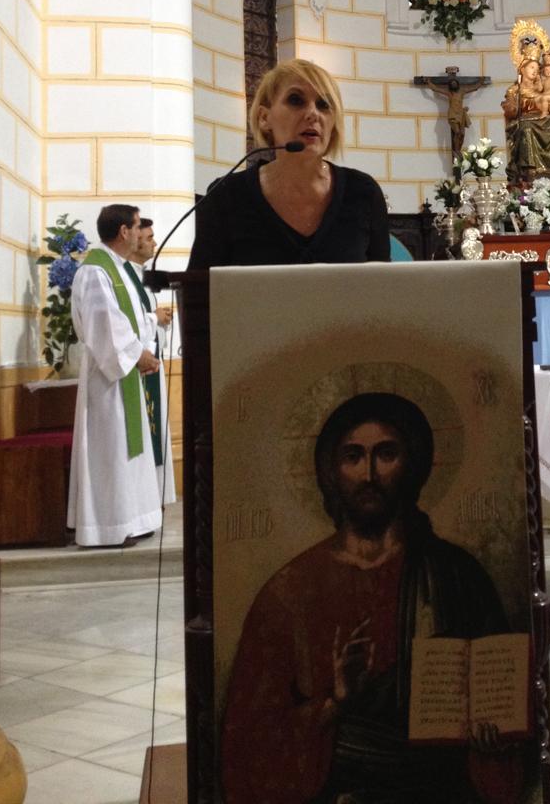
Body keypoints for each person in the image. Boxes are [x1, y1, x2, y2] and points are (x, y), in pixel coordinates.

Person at [221, 393, 527, 804]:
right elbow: (248, 746)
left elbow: (501, 700)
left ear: (413, 464)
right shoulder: (290, 591)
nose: (368, 474)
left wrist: (492, 741)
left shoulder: (457, 576)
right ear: (330, 471)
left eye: (386, 454)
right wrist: (334, 706)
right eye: (352, 456)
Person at [187, 59, 390, 268]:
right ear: (264, 118)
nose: (313, 113)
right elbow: (200, 292)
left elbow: (385, 290)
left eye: (324, 105)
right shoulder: (226, 195)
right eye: (296, 100)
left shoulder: (363, 192)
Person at [67, 205, 164, 548]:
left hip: (125, 373)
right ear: (124, 231)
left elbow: (132, 320)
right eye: (138, 227)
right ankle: (109, 525)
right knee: (111, 451)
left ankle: (133, 519)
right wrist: (138, 355)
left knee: (128, 450)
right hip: (107, 381)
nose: (141, 235)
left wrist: (142, 350)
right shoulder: (95, 271)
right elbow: (102, 325)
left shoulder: (120, 270)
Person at [125, 218, 176, 505]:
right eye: (150, 237)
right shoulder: (125, 277)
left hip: (150, 365)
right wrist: (154, 318)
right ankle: (144, 498)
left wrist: (159, 321)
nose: (154, 243)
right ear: (135, 241)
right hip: (136, 366)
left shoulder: (141, 277)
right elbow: (127, 324)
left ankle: (152, 497)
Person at [502, 57, 550, 182]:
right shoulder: (514, 90)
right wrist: (514, 105)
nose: (535, 71)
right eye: (531, 67)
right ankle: (529, 170)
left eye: (537, 68)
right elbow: (510, 111)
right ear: (522, 69)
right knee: (527, 129)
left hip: (545, 118)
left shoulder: (543, 88)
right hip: (524, 119)